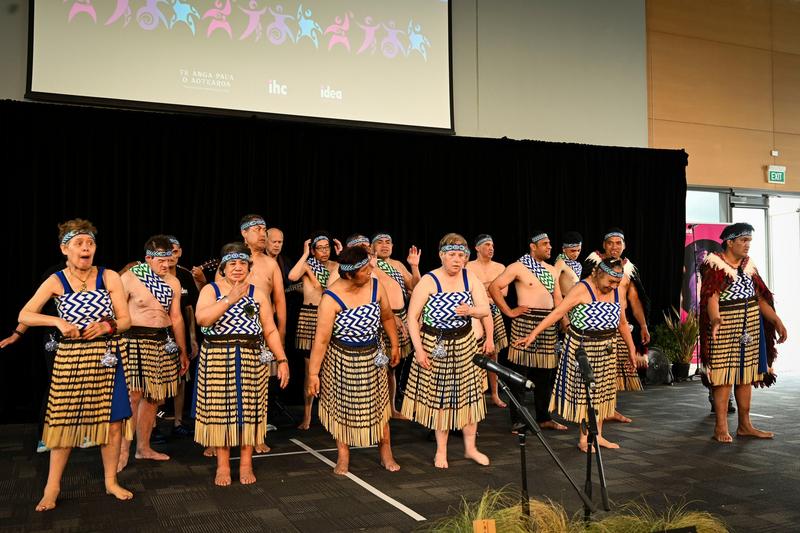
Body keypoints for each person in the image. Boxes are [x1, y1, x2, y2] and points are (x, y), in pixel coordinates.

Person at [19, 219, 133, 511]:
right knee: (63, 424)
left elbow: (125, 320)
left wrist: (107, 326)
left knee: (114, 423)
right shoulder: (56, 280)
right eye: (79, 244)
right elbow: (26, 315)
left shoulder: (109, 277)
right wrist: (56, 320)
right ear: (65, 249)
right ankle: (52, 487)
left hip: (107, 357)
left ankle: (110, 481)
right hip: (71, 359)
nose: (86, 248)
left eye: (90, 243)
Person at [515, 258, 642, 452]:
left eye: (617, 282)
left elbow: (622, 323)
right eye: (610, 281)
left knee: (603, 393)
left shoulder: (617, 291)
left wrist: (632, 349)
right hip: (583, 348)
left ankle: (598, 436)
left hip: (607, 347)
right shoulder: (582, 289)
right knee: (587, 394)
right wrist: (533, 334)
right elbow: (557, 313)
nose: (613, 286)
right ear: (599, 274)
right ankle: (584, 439)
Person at [194, 243, 289, 485]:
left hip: (250, 356)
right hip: (217, 355)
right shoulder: (210, 290)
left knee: (250, 410)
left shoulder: (257, 293)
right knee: (220, 411)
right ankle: (223, 466)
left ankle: (246, 464)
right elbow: (202, 318)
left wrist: (282, 359)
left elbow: (269, 329)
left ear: (249, 266)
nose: (238, 268)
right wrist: (229, 299)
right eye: (233, 263)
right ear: (224, 267)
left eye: (243, 263)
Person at [307, 246, 401, 474]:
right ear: (348, 274)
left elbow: (387, 316)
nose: (370, 270)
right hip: (341, 358)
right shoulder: (330, 298)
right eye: (364, 269)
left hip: (373, 356)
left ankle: (386, 451)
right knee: (343, 408)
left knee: (379, 406)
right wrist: (313, 374)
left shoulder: (375, 286)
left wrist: (395, 344)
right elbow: (321, 340)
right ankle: (343, 454)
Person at [401, 233, 491, 469]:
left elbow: (484, 309)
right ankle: (441, 452)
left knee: (471, 396)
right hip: (435, 343)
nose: (457, 260)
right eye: (452, 255)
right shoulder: (429, 281)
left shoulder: (470, 278)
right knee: (442, 399)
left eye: (461, 255)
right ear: (442, 255)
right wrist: (419, 350)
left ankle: (470, 448)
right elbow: (412, 317)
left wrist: (470, 311)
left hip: (465, 343)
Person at [699, 223, 787, 442]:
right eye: (743, 241)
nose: (748, 245)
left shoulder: (749, 266)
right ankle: (721, 427)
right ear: (730, 242)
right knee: (723, 377)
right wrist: (716, 318)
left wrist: (776, 321)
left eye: (749, 241)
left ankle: (745, 425)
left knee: (746, 376)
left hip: (750, 326)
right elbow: (711, 297)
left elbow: (760, 298)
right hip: (726, 325)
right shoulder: (714, 265)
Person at [119, 235, 189, 471]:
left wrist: (182, 350)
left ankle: (143, 448)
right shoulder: (129, 278)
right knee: (133, 397)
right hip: (134, 340)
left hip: (162, 342)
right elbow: (115, 314)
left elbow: (177, 317)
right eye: (161, 261)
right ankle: (121, 452)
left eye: (169, 261)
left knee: (153, 398)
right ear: (148, 258)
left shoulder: (174, 282)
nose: (166, 265)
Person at [488, 232, 567, 431]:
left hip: (548, 325)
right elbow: (494, 287)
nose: (550, 247)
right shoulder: (518, 266)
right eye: (545, 244)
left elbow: (558, 300)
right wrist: (509, 311)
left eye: (550, 243)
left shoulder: (551, 270)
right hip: (523, 323)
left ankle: (544, 417)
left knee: (546, 375)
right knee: (519, 375)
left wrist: (564, 322)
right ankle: (518, 420)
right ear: (533, 246)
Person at [584, 228, 648, 423]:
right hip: (596, 325)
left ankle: (609, 409)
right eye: (610, 243)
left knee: (612, 370)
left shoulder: (628, 269)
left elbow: (634, 300)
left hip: (619, 323)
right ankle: (592, 413)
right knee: (596, 370)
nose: (614, 246)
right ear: (604, 245)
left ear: (624, 246)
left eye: (618, 243)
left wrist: (643, 325)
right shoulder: (594, 265)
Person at [288, 232, 340, 430]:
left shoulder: (335, 266)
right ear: (313, 250)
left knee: (330, 369)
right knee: (311, 370)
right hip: (308, 317)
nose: (324, 251)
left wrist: (340, 254)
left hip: (328, 316)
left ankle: (329, 414)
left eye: (327, 247)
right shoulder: (308, 263)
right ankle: (308, 415)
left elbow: (328, 287)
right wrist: (305, 258)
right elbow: (292, 276)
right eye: (320, 248)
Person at [467, 234, 508, 408]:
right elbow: (468, 292)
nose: (491, 248)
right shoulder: (468, 266)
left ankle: (494, 393)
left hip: (494, 311)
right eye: (487, 245)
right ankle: (476, 393)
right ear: (477, 247)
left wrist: (482, 293)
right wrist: (489, 290)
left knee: (493, 354)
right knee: (473, 352)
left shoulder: (500, 267)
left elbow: (503, 293)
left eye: (492, 245)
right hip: (474, 313)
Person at [165, 236, 200, 437]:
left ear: (180, 253)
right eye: (168, 251)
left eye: (175, 251)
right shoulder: (150, 274)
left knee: (181, 377)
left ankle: (178, 421)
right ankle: (152, 426)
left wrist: (193, 338)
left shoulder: (185, 275)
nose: (171, 256)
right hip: (159, 334)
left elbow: (189, 309)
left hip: (181, 334)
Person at [553, 231, 583, 298]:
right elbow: (553, 282)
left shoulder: (578, 265)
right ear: (564, 249)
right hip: (564, 301)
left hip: (575, 300)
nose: (576, 254)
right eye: (573, 251)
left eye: (578, 250)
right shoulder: (560, 262)